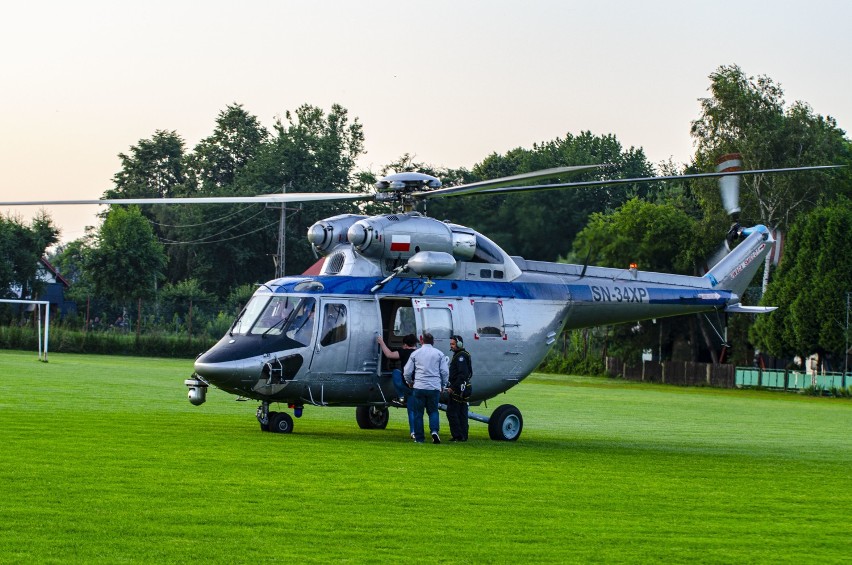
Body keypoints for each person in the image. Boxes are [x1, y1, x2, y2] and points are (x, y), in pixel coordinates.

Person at [403, 333, 449, 444]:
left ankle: (419, 438)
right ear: (433, 342)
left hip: (419, 386)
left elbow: (407, 371)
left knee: (418, 413)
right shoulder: (439, 354)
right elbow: (445, 372)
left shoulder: (415, 354)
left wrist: (409, 382)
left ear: (421, 341)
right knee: (433, 411)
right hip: (434, 387)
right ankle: (434, 431)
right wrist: (443, 385)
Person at [377, 333, 418, 437]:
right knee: (414, 410)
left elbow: (389, 354)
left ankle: (400, 396)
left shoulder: (404, 352)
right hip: (419, 385)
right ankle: (415, 431)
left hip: (407, 385)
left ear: (405, 345)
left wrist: (381, 342)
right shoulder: (419, 353)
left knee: (396, 372)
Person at [446, 335, 472, 442]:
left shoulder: (461, 357)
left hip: (459, 389)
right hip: (463, 388)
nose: (451, 346)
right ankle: (463, 435)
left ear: (459, 344)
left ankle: (457, 435)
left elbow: (462, 374)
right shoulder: (461, 355)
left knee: (452, 412)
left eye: (453, 344)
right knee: (462, 413)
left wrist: (453, 387)